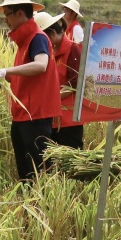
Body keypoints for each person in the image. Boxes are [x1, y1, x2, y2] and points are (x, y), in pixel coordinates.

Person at [0, 0, 61, 180]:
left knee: (39, 171)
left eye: (7, 15)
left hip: (35, 116)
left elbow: (41, 65)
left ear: (20, 13)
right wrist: (2, 76)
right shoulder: (23, 42)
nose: (6, 20)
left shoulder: (37, 38)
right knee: (25, 171)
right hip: (21, 115)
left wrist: (5, 71)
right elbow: (23, 76)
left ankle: (42, 207)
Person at [37, 11, 84, 149]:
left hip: (68, 119)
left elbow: (75, 83)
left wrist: (50, 99)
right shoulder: (49, 51)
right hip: (51, 117)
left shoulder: (72, 49)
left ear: (52, 33)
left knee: (71, 159)